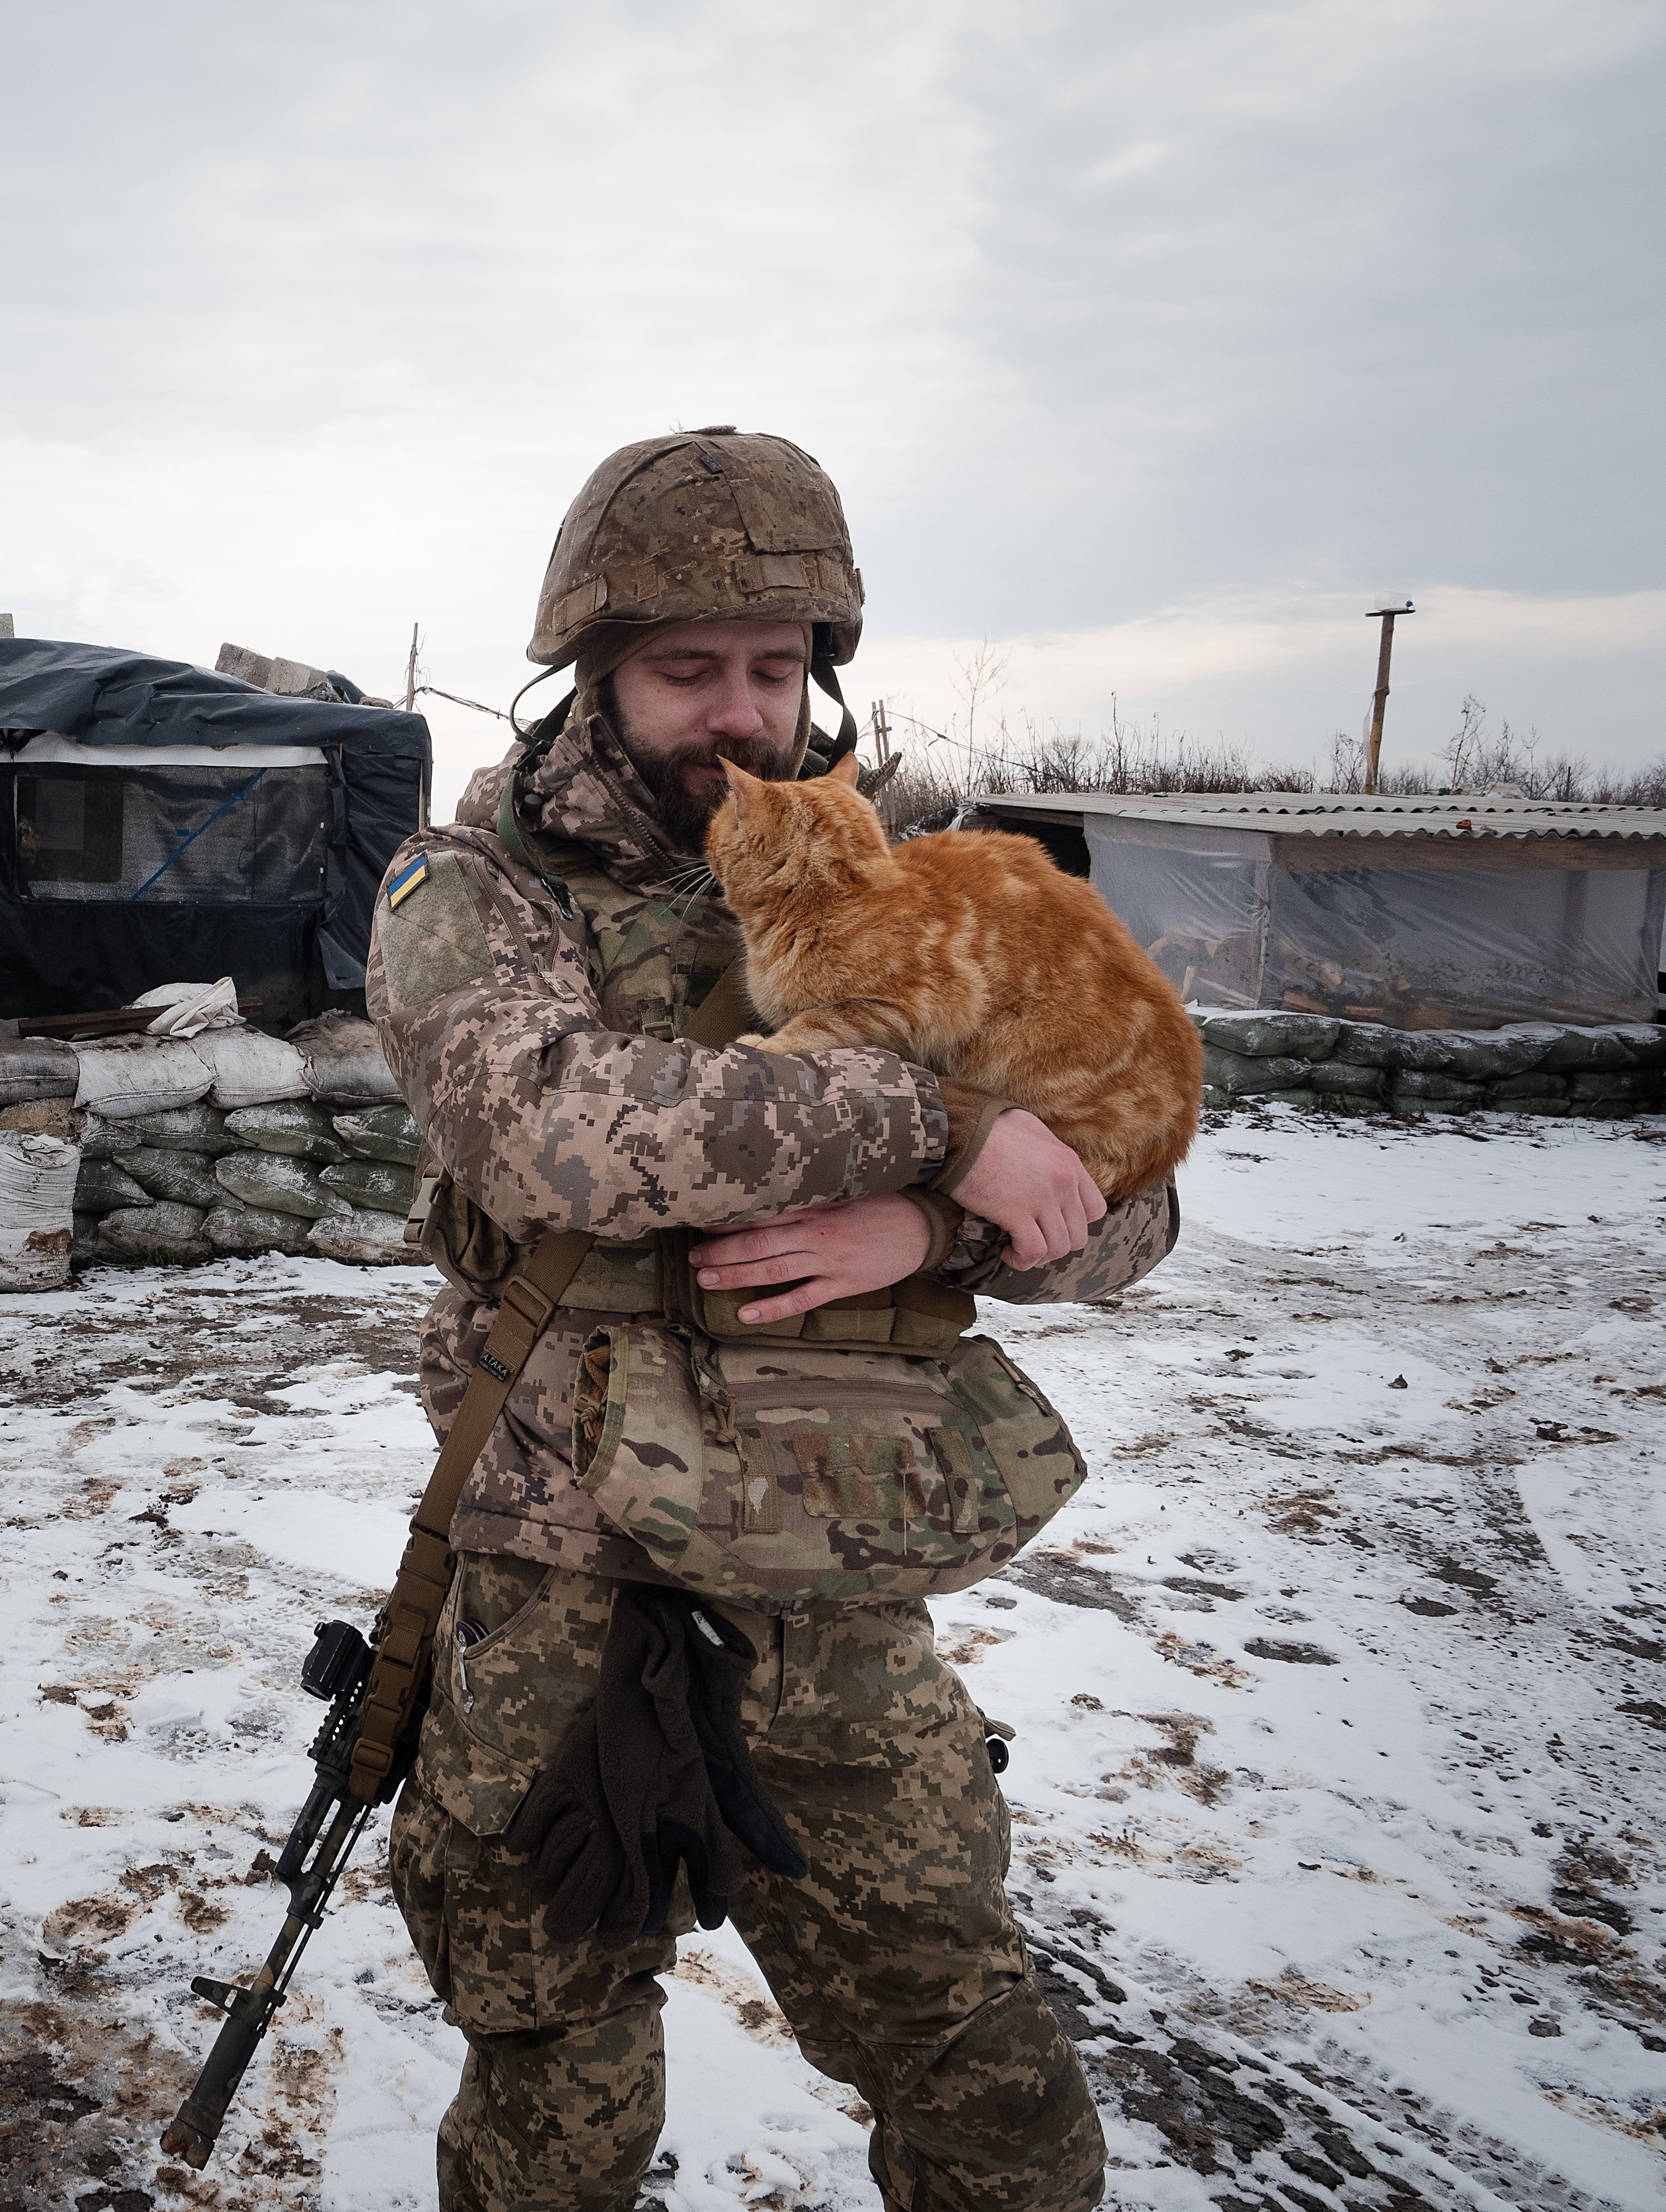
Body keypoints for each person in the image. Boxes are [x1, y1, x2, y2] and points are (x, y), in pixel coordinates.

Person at [366, 429, 1176, 2212]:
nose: (739, 711)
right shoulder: (475, 893)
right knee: (554, 2077)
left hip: (830, 1570)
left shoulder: (914, 889)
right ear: (590, 669)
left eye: (777, 667)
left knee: (982, 2073)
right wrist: (947, 1128)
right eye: (686, 670)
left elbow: (1129, 1211)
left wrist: (932, 1228)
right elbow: (557, 1134)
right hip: (558, 1567)